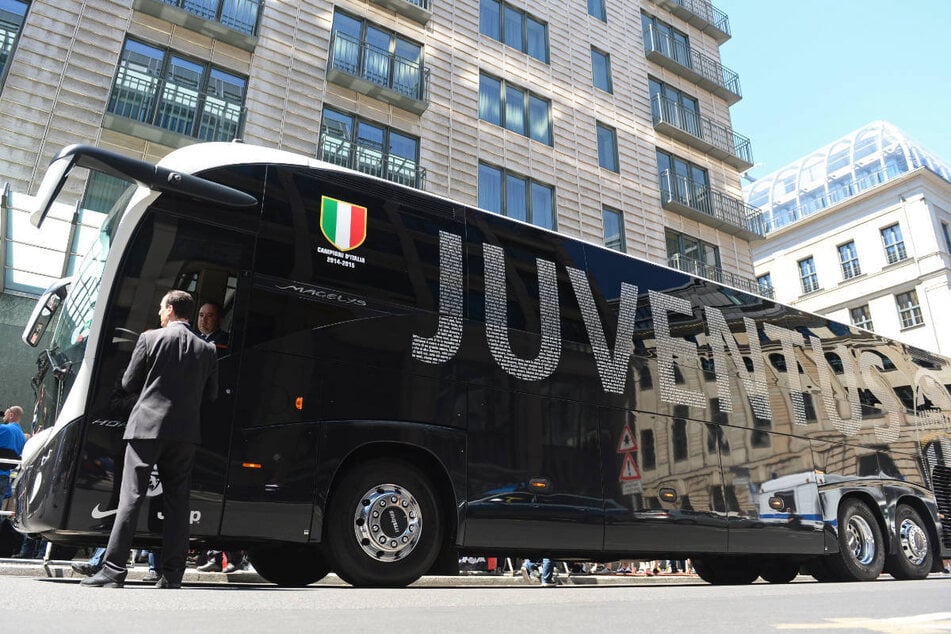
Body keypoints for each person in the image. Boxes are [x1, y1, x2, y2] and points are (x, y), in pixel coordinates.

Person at [82, 290, 218, 589]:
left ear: (170, 310)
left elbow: (128, 383)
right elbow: (212, 395)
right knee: (178, 504)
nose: (159, 313)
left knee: (130, 498)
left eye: (161, 308)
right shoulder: (207, 350)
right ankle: (172, 575)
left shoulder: (150, 339)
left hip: (147, 428)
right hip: (185, 434)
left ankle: (114, 571)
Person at [0, 406, 26, 503]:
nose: (3, 417)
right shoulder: (22, 437)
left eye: (5, 415)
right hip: (6, 478)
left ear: (11, 415)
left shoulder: (4, 429)